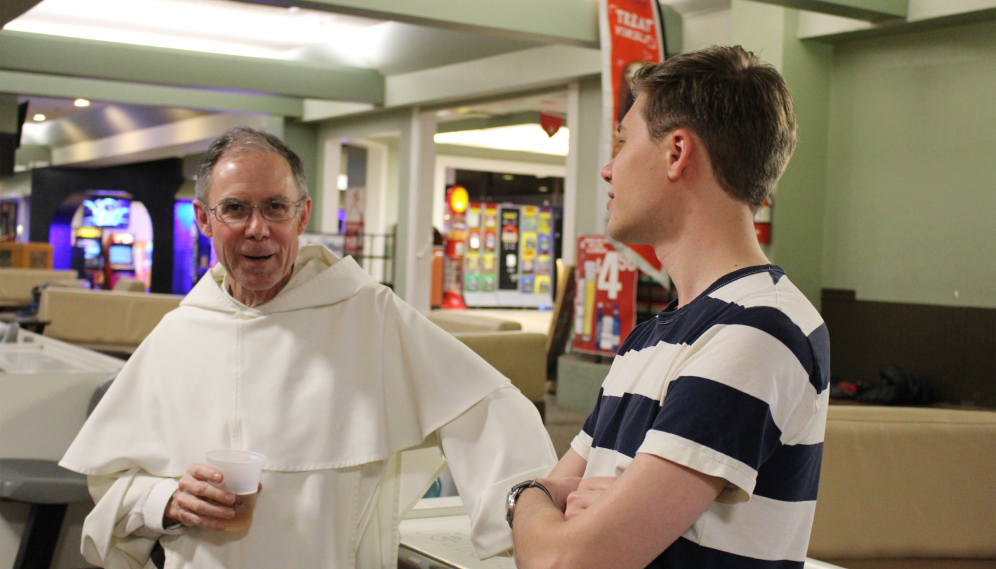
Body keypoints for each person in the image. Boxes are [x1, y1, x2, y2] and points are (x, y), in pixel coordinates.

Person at [60, 126, 557, 569]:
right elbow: (112, 485)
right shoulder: (178, 334)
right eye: (235, 208)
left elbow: (488, 406)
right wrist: (165, 500)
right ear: (205, 220)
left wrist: (537, 530)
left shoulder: (368, 315)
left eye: (276, 207)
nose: (258, 228)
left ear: (302, 216)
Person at [507, 46, 830, 569]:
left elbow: (567, 560)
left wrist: (524, 498)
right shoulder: (651, 337)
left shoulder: (760, 329)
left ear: (677, 153)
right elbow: (561, 500)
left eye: (623, 141)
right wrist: (552, 500)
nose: (609, 170)